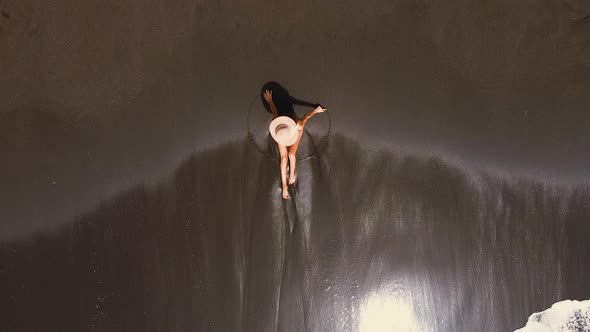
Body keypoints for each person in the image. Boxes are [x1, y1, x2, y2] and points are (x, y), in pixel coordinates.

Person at [261, 81, 326, 200]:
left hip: (294, 130)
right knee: (284, 157)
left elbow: (306, 117)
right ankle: (285, 186)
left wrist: (316, 111)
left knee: (291, 154)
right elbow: (274, 111)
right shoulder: (277, 126)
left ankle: (291, 175)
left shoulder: (298, 125)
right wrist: (270, 100)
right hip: (283, 131)